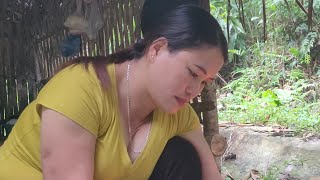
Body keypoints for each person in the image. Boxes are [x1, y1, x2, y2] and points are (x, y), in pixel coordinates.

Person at [0, 1, 228, 180]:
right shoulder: (80, 89)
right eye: (193, 73)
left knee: (183, 154)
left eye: (204, 82)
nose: (194, 90)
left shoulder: (178, 116)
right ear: (157, 49)